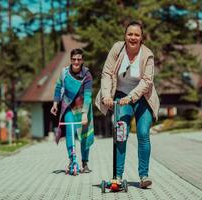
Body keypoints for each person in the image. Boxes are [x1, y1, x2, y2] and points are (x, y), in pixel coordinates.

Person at [95, 21, 160, 188]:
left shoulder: (147, 55)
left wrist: (131, 97)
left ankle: (144, 175)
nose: (133, 37)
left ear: (141, 37)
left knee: (143, 134)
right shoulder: (117, 49)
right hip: (121, 96)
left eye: (137, 34)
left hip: (142, 98)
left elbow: (147, 81)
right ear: (125, 35)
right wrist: (107, 95)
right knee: (121, 133)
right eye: (130, 34)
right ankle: (117, 175)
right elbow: (107, 73)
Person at [51, 48, 94, 173]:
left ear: (82, 60)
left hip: (83, 107)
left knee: (85, 135)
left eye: (79, 59)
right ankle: (72, 159)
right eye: (74, 59)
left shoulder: (87, 75)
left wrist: (85, 114)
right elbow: (58, 87)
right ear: (70, 60)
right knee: (70, 130)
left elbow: (87, 95)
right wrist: (55, 103)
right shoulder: (64, 72)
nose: (76, 62)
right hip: (68, 105)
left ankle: (85, 163)